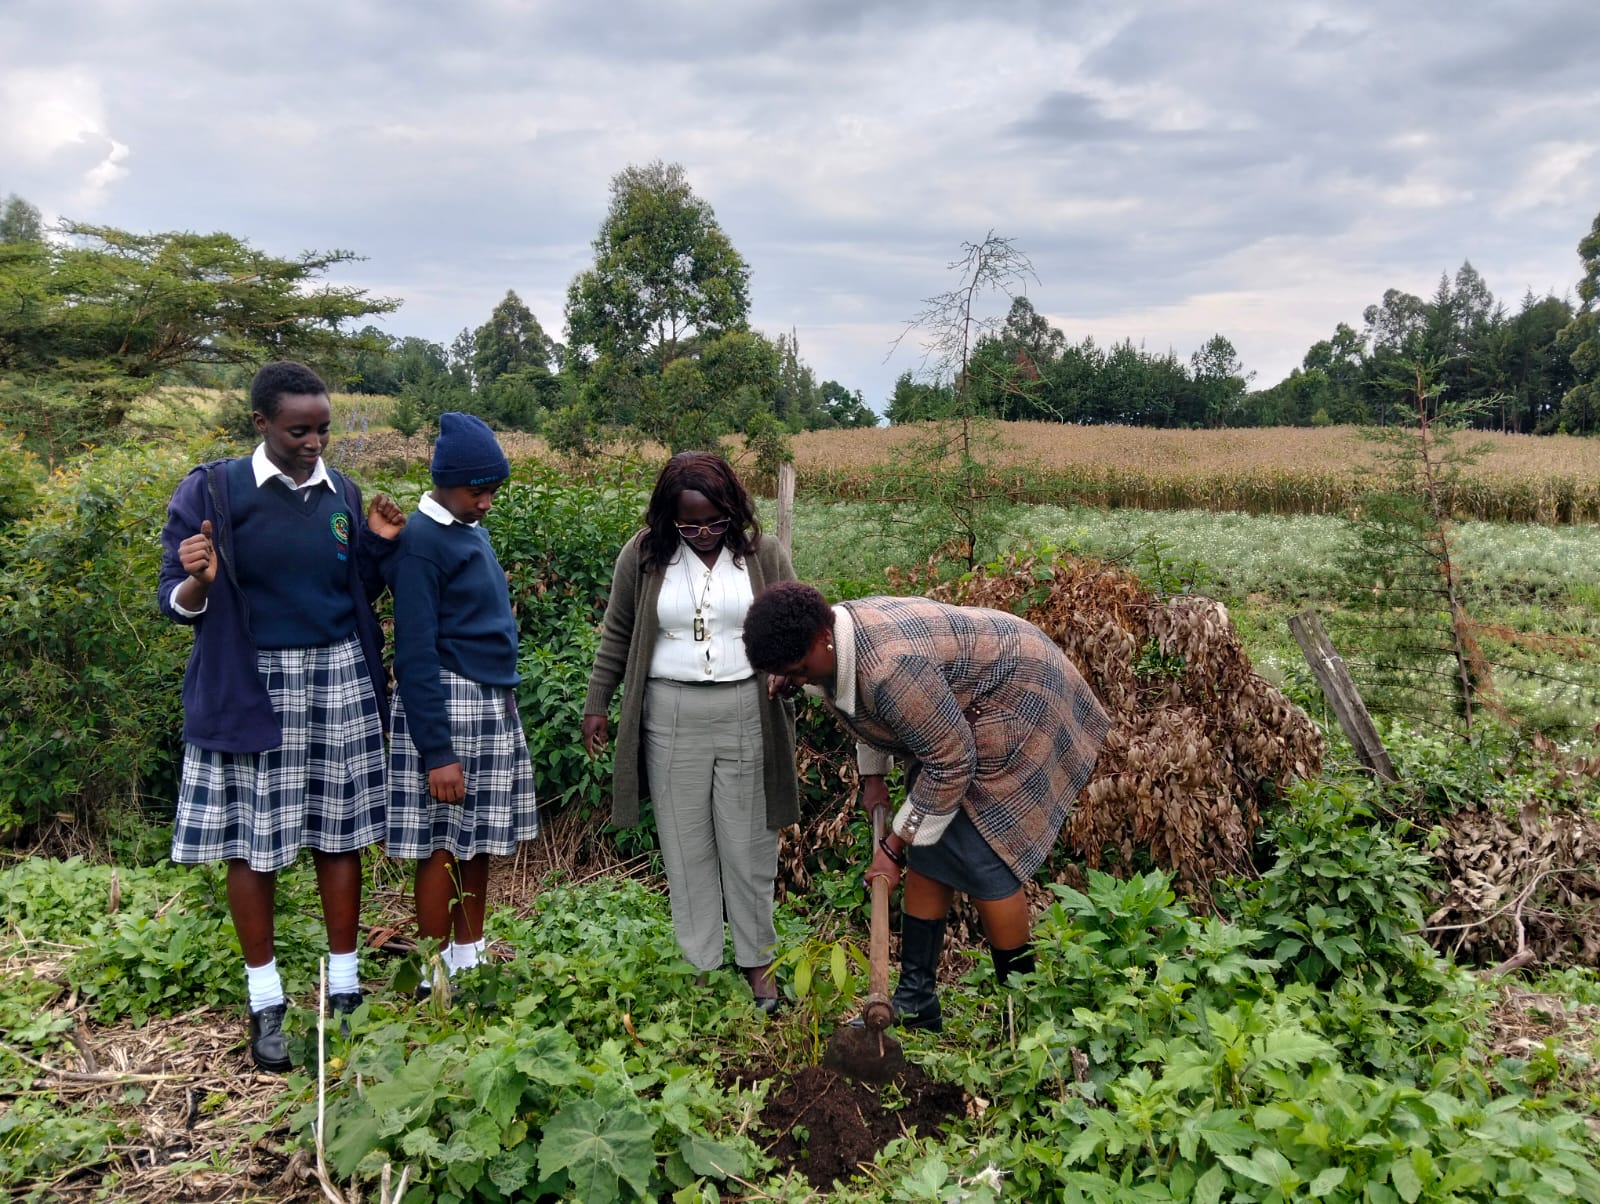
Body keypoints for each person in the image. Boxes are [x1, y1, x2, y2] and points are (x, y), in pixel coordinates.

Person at [157, 360, 404, 1072]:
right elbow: (175, 599)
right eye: (299, 429)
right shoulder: (212, 491)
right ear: (261, 423)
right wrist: (198, 581)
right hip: (251, 682)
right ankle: (266, 1000)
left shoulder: (342, 493)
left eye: (323, 429)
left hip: (339, 678)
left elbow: (351, 587)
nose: (314, 442)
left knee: (341, 837)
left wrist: (378, 546)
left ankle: (346, 989)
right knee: (253, 846)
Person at [742, 581, 1110, 1032]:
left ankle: (1026, 1010)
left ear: (823, 637)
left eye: (798, 669)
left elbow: (951, 763)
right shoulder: (831, 638)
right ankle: (917, 1002)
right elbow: (863, 704)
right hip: (957, 717)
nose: (795, 679)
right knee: (933, 848)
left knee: (984, 853)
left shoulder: (891, 670)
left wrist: (893, 848)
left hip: (1020, 695)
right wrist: (872, 778)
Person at [582, 451, 798, 1012]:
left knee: (749, 849)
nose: (704, 533)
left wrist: (789, 672)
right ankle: (700, 968)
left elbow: (795, 624)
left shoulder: (761, 554)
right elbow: (617, 632)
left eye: (715, 521)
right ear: (668, 517)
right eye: (690, 523)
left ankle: (758, 966)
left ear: (732, 509)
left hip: (746, 710)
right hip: (670, 714)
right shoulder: (646, 555)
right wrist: (596, 704)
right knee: (686, 850)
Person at [385, 412, 538, 997]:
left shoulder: (466, 527)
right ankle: (431, 972)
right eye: (479, 491)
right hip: (450, 706)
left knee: (476, 842)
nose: (488, 502)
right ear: (446, 482)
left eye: (493, 490)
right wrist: (437, 751)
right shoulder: (422, 545)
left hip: (488, 701)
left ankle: (469, 958)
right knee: (441, 844)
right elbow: (415, 655)